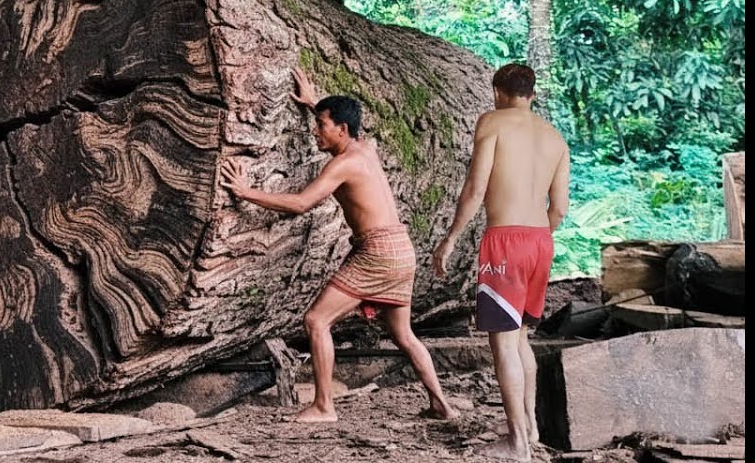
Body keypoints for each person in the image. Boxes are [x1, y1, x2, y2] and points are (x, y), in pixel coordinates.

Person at [219, 68, 457, 423]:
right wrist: (315, 101)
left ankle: (324, 407)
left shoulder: (344, 163)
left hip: (376, 254)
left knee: (315, 320)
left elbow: (301, 203)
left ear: (341, 130)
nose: (316, 131)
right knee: (403, 334)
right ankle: (441, 404)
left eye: (321, 125)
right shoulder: (365, 147)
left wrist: (245, 192)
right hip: (401, 250)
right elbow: (345, 121)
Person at [432, 63, 569, 462]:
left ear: (496, 90)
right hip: (541, 241)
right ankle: (530, 427)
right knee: (522, 337)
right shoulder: (555, 137)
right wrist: (537, 239)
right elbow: (558, 208)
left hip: (505, 241)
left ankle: (517, 444)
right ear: (533, 94)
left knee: (503, 345)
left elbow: (475, 189)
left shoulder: (491, 122)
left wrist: (450, 238)